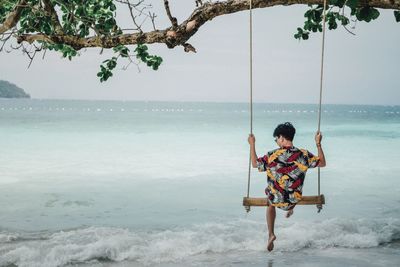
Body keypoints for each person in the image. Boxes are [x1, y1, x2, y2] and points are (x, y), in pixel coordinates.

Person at [248, 122, 326, 252]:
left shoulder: (272, 155)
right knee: (293, 185)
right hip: (293, 200)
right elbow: (322, 163)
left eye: (276, 139)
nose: (277, 142)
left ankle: (271, 234)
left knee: (270, 200)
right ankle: (290, 209)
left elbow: (255, 164)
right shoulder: (304, 154)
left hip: (276, 200)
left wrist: (252, 144)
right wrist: (318, 143)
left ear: (282, 138)